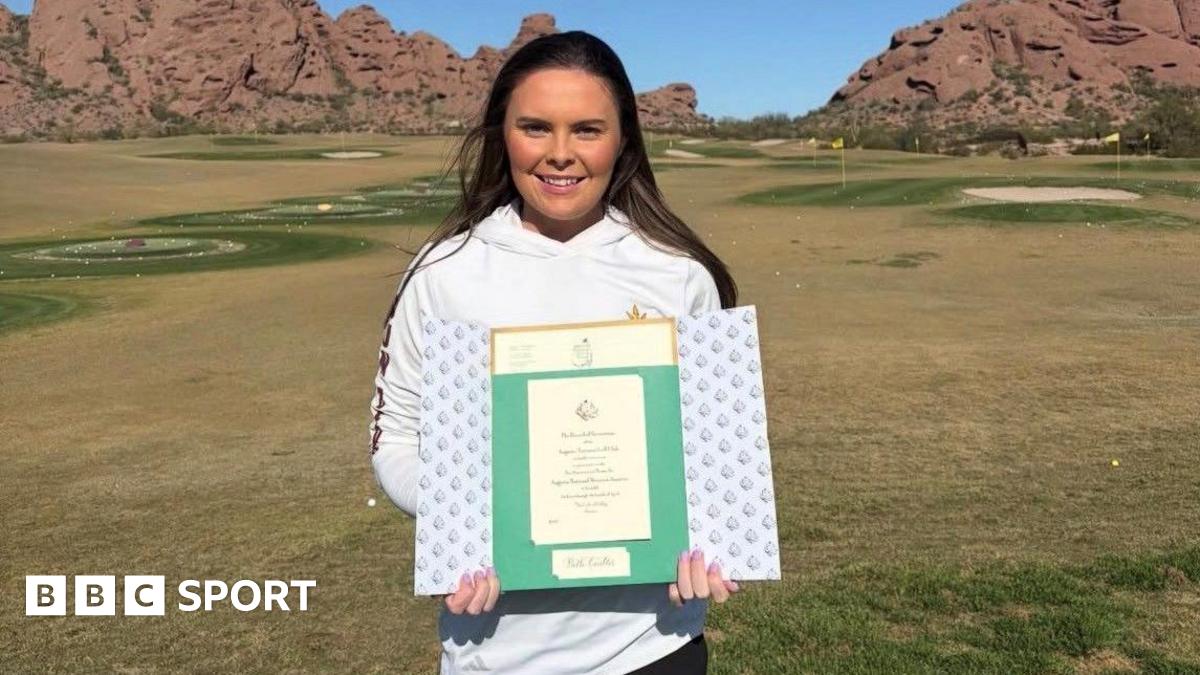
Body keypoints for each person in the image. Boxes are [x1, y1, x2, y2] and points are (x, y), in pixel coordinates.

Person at [369, 29, 741, 675]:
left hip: (654, 645)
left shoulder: (678, 274)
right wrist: (464, 523)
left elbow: (715, 446)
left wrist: (714, 538)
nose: (561, 155)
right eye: (536, 127)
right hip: (494, 651)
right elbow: (396, 437)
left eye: (588, 130)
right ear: (500, 134)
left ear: (623, 138)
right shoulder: (445, 271)